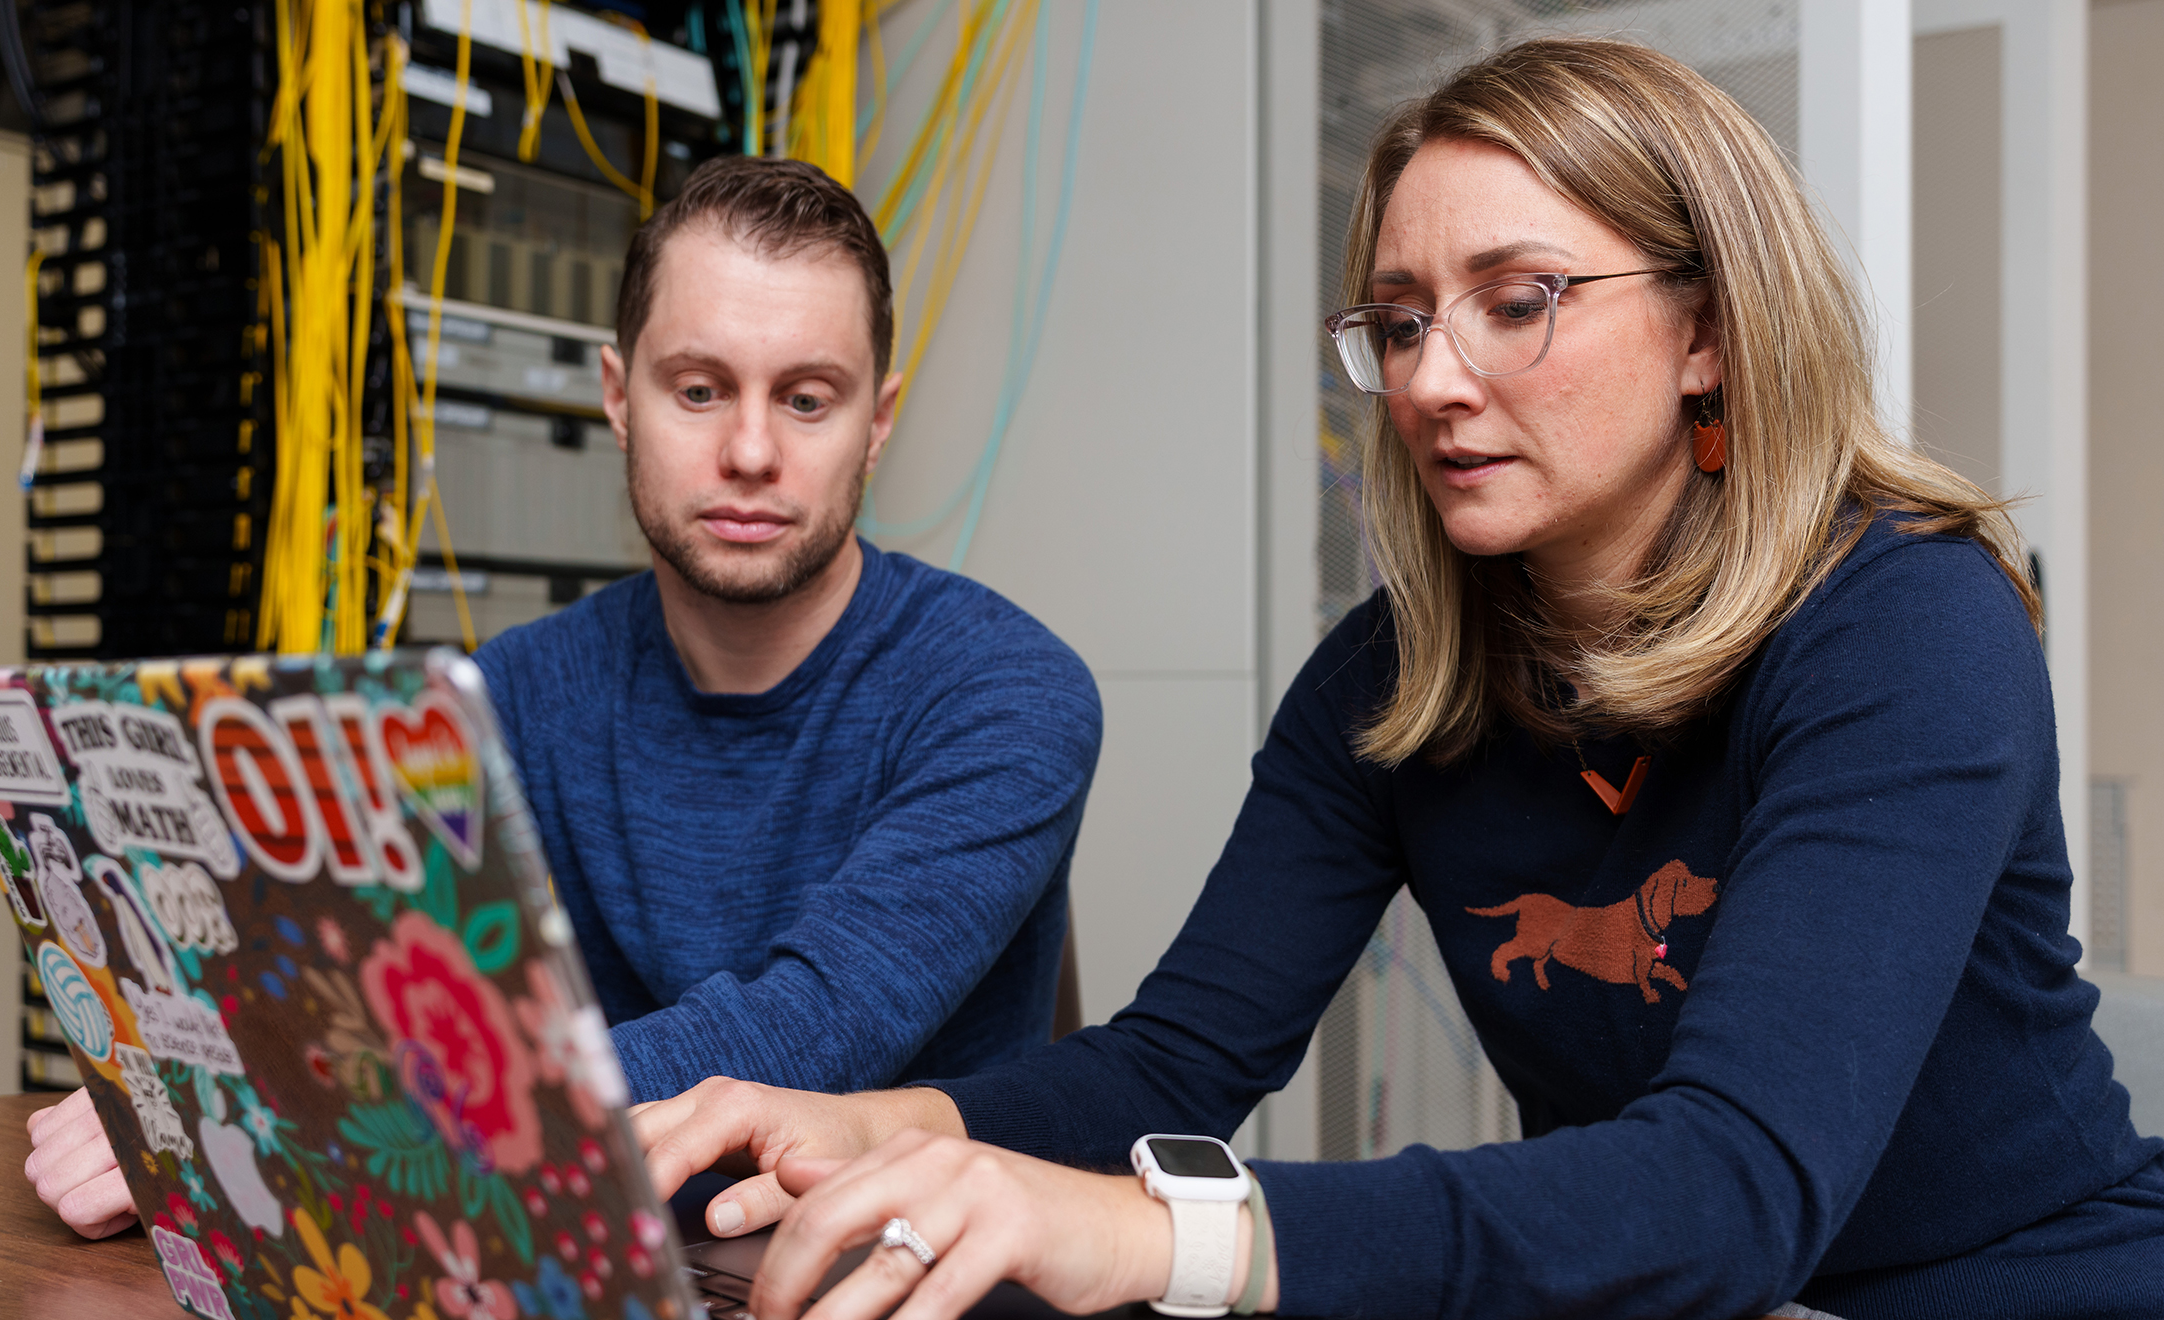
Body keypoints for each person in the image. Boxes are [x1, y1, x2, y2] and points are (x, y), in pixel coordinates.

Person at [627, 39, 2164, 1320]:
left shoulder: (1902, 622)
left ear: (1706, 330)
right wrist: (884, 1129)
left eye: (1518, 301)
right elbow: (1173, 1066)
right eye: (1404, 321)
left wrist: (1162, 1236)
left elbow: (1730, 1184)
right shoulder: (1393, 683)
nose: (1434, 379)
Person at [25, 156, 1103, 1242]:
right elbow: (351, 979)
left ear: (878, 421)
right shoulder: (505, 694)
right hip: (585, 1249)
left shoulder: (1009, 694)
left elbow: (803, 1030)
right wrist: (200, 1079)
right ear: (614, 396)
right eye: (698, 389)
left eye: (808, 400)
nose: (749, 451)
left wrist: (290, 1101)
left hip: (911, 1280)